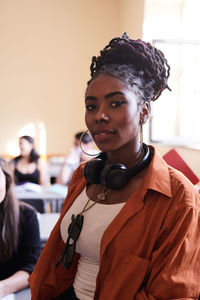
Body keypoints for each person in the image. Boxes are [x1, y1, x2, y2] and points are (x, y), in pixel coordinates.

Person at [29, 33, 200, 299]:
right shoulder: (83, 176)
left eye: (116, 103)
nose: (100, 115)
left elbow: (174, 293)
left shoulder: (179, 196)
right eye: (91, 105)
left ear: (144, 111)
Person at [0, 158, 41, 298]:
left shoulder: (26, 216)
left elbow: (32, 266)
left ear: (7, 180)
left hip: (14, 292)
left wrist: (3, 288)